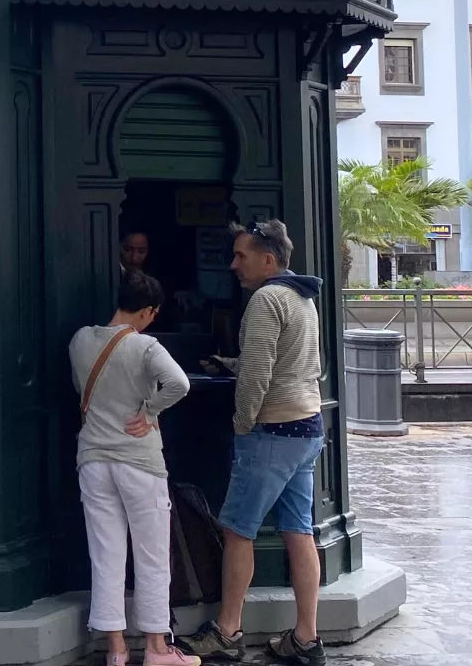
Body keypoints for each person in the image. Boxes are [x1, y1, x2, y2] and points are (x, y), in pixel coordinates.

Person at [181, 220, 327, 666]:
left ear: (268, 260)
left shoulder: (266, 299)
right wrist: (232, 363)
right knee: (299, 531)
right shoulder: (302, 297)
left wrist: (243, 425)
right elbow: (291, 361)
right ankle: (306, 638)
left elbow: (258, 375)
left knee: (238, 530)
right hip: (307, 425)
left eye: (241, 256)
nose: (233, 264)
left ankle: (227, 630)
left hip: (271, 431)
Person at [70, 270, 198, 666]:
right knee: (152, 555)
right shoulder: (145, 347)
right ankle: (157, 648)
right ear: (147, 311)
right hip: (139, 461)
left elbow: (82, 390)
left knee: (105, 554)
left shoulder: (80, 340)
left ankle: (116, 649)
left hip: (93, 459)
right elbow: (180, 384)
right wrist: (149, 410)